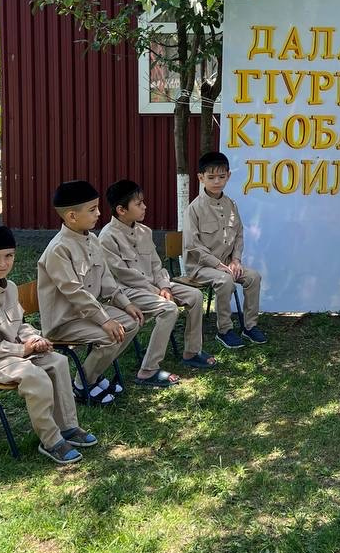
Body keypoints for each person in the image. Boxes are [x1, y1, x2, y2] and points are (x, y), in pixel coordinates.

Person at [0, 224, 97, 464]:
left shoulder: (9, 287)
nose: (2, 263)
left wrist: (34, 338)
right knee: (33, 376)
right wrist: (22, 350)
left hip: (9, 353)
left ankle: (67, 427)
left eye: (9, 256)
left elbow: (18, 325)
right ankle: (51, 441)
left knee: (58, 362)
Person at [37, 180, 144, 405]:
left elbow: (106, 279)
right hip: (65, 320)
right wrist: (105, 320)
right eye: (92, 209)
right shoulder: (58, 249)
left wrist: (125, 303)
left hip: (88, 313)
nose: (99, 213)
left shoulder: (92, 239)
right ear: (72, 216)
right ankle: (81, 384)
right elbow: (74, 292)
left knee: (131, 322)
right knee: (110, 336)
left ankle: (93, 376)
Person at [99, 179, 215, 384]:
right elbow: (124, 274)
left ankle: (192, 351)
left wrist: (164, 286)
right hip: (127, 292)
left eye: (143, 202)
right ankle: (148, 370)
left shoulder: (145, 231)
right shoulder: (107, 237)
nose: (144, 206)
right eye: (138, 204)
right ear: (121, 210)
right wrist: (156, 290)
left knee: (195, 295)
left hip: (155, 287)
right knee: (168, 308)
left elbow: (156, 265)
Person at [183, 151, 265, 349]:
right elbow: (193, 245)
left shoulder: (231, 205)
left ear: (228, 176)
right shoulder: (194, 209)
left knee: (254, 277)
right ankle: (225, 330)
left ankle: (250, 326)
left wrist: (236, 260)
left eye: (221, 176)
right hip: (200, 267)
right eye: (211, 177)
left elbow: (239, 234)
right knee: (225, 280)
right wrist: (218, 265)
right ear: (201, 178)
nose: (217, 181)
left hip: (228, 264)